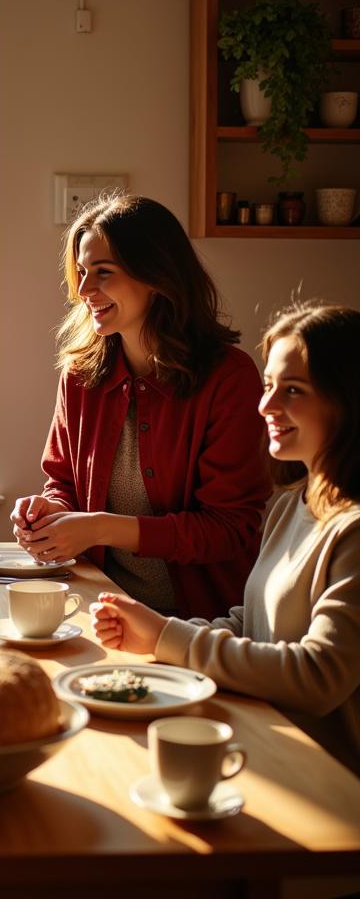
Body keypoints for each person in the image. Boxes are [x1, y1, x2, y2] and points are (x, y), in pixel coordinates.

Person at [91, 302, 360, 774]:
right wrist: (155, 640)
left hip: (325, 776)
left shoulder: (353, 531)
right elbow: (250, 623)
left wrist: (170, 637)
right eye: (269, 386)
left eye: (292, 391)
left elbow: (319, 677)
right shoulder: (291, 505)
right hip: (264, 738)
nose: (265, 407)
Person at [11, 194, 269, 619]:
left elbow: (230, 529)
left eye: (104, 273)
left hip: (203, 623)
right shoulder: (79, 375)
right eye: (81, 273)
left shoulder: (228, 377)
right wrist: (49, 512)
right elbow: (64, 485)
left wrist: (99, 527)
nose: (85, 290)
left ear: (157, 276)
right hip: (101, 610)